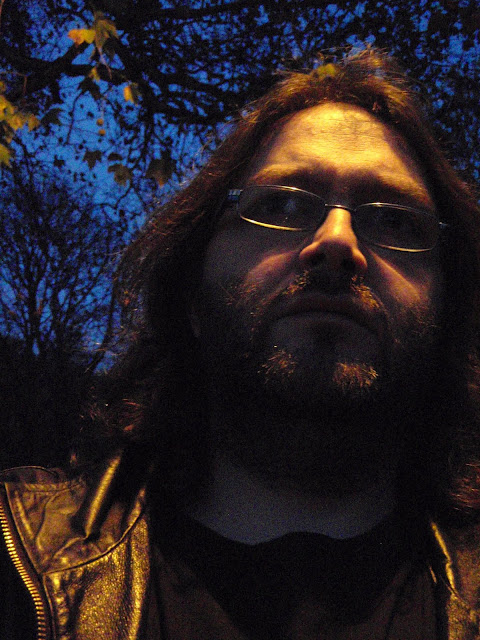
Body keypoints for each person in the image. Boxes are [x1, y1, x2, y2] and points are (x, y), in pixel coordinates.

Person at [2, 47, 480, 640]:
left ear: (450, 304)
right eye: (281, 204)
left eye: (396, 221)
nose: (338, 241)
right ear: (191, 289)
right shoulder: (17, 564)